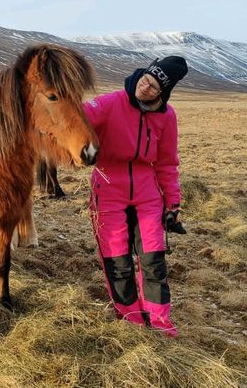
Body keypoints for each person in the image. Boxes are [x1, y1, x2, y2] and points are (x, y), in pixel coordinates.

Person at [83, 56, 188, 337]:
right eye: (145, 80)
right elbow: (77, 119)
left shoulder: (167, 116)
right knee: (117, 259)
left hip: (147, 194)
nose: (145, 88)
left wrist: (173, 202)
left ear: (163, 93)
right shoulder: (111, 102)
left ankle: (160, 320)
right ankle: (130, 317)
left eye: (153, 87)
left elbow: (167, 162)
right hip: (108, 189)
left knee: (153, 260)